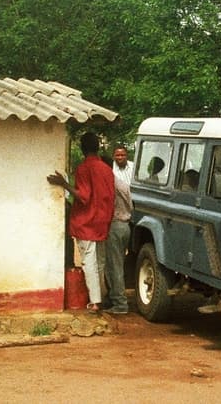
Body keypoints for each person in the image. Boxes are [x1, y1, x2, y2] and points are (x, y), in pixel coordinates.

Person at [47, 132, 115, 314]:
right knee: (100, 262)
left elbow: (84, 196)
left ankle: (95, 301)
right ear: (98, 147)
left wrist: (64, 184)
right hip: (103, 220)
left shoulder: (84, 168)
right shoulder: (107, 169)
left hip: (87, 222)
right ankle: (101, 297)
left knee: (89, 262)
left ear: (82, 148)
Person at [104, 174, 132, 314]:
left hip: (115, 225)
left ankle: (120, 303)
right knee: (117, 264)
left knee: (114, 266)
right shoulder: (123, 184)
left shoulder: (109, 185)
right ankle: (114, 298)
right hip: (125, 226)